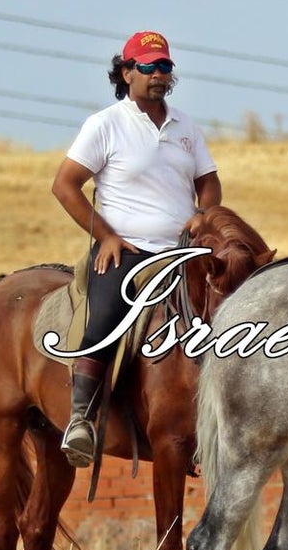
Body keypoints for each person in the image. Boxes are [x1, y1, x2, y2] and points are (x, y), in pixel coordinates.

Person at [51, 30, 221, 467]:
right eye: (147, 67)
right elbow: (65, 185)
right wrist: (105, 236)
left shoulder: (186, 126)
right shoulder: (105, 124)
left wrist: (205, 214)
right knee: (105, 316)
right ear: (126, 72)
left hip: (182, 254)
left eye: (164, 66)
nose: (158, 75)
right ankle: (81, 420)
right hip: (126, 252)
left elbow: (208, 182)